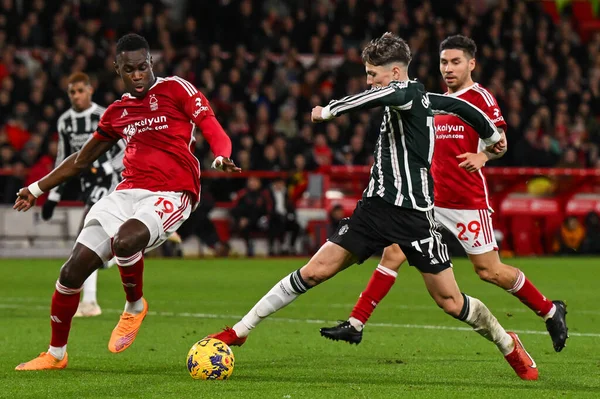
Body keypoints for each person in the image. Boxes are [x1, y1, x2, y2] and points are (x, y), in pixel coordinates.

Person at [209, 33, 537, 380]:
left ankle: (508, 343)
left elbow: (389, 97)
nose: (368, 81)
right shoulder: (419, 98)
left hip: (414, 219)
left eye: (372, 74)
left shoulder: (405, 91)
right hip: (374, 209)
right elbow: (459, 107)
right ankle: (240, 331)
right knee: (315, 270)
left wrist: (328, 110)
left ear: (394, 73)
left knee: (451, 303)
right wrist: (490, 136)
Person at [319, 35, 568, 354]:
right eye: (443, 62)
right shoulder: (427, 99)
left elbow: (500, 140)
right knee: (393, 252)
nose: (448, 69)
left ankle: (549, 310)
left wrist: (484, 156)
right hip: (427, 199)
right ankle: (356, 323)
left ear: (471, 64)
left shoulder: (479, 98)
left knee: (489, 271)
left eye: (455, 62)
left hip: (466, 200)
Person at [13, 33, 240, 371]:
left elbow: (210, 124)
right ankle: (55, 354)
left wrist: (221, 155)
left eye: (143, 67)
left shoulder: (177, 89)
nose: (138, 75)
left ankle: (134, 305)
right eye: (129, 69)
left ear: (152, 63)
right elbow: (80, 159)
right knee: (72, 270)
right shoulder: (117, 112)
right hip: (126, 193)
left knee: (126, 240)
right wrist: (36, 188)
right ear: (117, 69)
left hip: (172, 192)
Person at [41, 72, 126, 318]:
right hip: (86, 184)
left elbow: (127, 148)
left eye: (80, 90)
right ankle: (123, 253)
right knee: (95, 242)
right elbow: (63, 159)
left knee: (86, 236)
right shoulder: (65, 121)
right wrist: (53, 196)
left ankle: (90, 303)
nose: (76, 96)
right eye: (72, 92)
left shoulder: (104, 115)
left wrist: (107, 168)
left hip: (110, 182)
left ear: (90, 90)